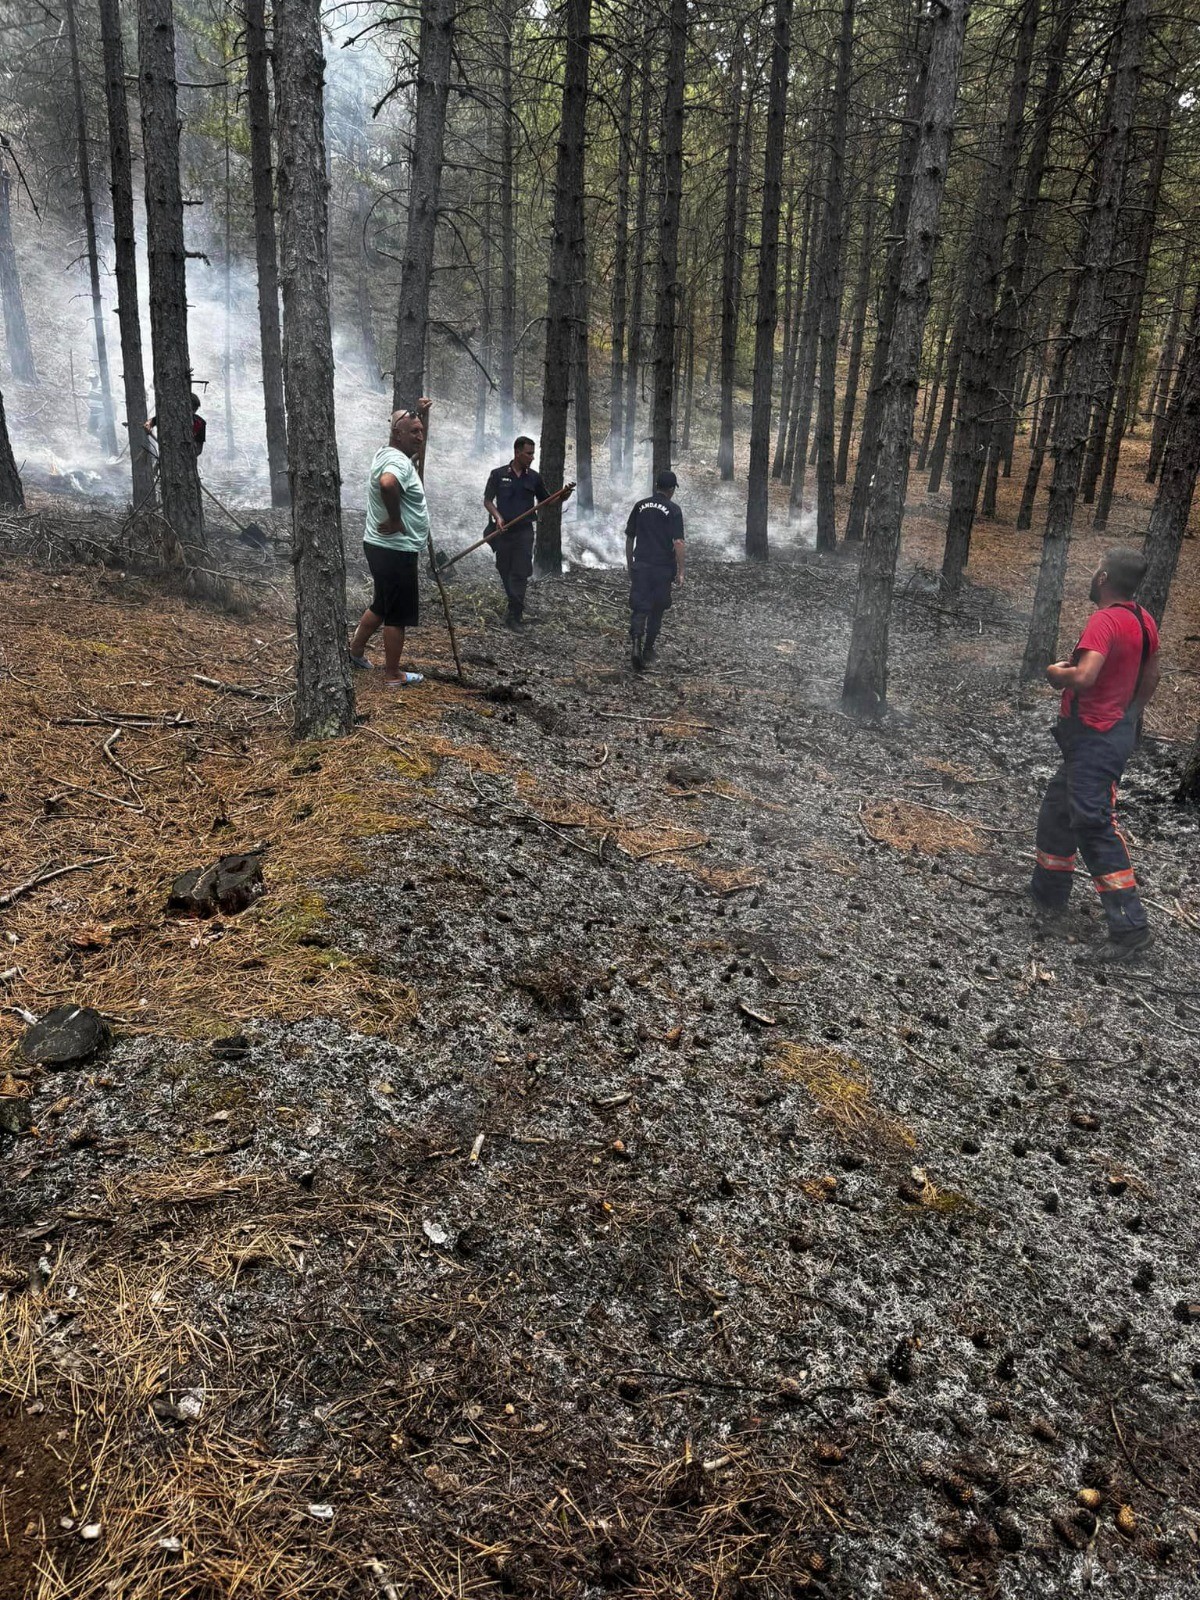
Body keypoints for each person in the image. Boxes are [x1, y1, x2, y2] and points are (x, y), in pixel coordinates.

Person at [1029, 547, 1161, 962]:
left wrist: (1055, 675)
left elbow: (1083, 677)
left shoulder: (1104, 620)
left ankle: (1130, 928)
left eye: (1094, 571)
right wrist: (1128, 716)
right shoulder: (1143, 619)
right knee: (1057, 808)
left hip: (1095, 739)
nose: (1092, 576)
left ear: (1103, 578)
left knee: (1091, 820)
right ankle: (1048, 894)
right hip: (1109, 733)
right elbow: (1151, 676)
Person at [347, 400, 432, 688]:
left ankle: (355, 652)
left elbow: (403, 452)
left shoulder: (387, 453)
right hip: (396, 549)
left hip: (380, 546)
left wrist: (422, 416)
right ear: (398, 435)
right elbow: (387, 483)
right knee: (397, 614)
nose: (420, 437)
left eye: (422, 432)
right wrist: (396, 520)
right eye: (414, 433)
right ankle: (393, 674)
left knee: (382, 604)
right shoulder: (396, 462)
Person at [483, 437, 569, 630]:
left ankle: (515, 615)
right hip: (503, 531)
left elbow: (546, 501)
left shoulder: (534, 478)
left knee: (520, 572)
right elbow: (488, 500)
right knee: (503, 568)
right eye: (528, 453)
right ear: (517, 452)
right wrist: (497, 517)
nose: (532, 457)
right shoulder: (498, 475)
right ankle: (513, 606)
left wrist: (562, 497)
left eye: (533, 454)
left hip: (524, 532)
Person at [626, 470, 685, 671]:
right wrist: (681, 571)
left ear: (657, 486)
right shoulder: (674, 509)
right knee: (657, 609)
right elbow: (678, 542)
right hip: (662, 568)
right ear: (671, 489)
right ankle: (648, 648)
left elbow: (630, 537)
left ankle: (636, 645)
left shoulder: (640, 506)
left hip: (641, 565)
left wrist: (629, 564)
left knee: (640, 607)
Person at [143, 393, 206, 457]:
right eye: (191, 408)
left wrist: (186, 452)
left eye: (195, 409)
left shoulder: (200, 423)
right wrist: (148, 425)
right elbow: (152, 421)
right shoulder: (171, 416)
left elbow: (198, 449)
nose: (192, 412)